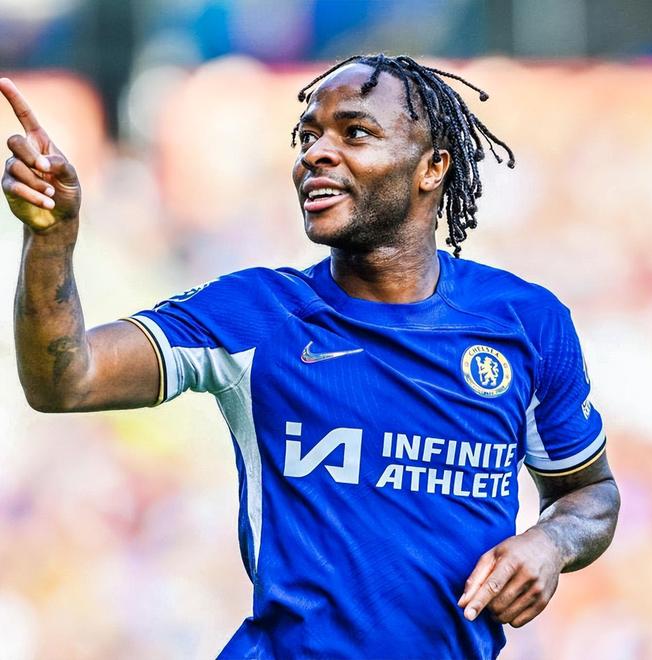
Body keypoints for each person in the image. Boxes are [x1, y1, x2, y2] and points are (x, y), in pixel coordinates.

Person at [1, 54, 619, 660]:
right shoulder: (254, 314)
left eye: (355, 132)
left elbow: (591, 495)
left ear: (433, 167)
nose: (315, 154)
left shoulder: (525, 322)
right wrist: (50, 239)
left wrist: (551, 543)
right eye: (308, 136)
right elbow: (66, 379)